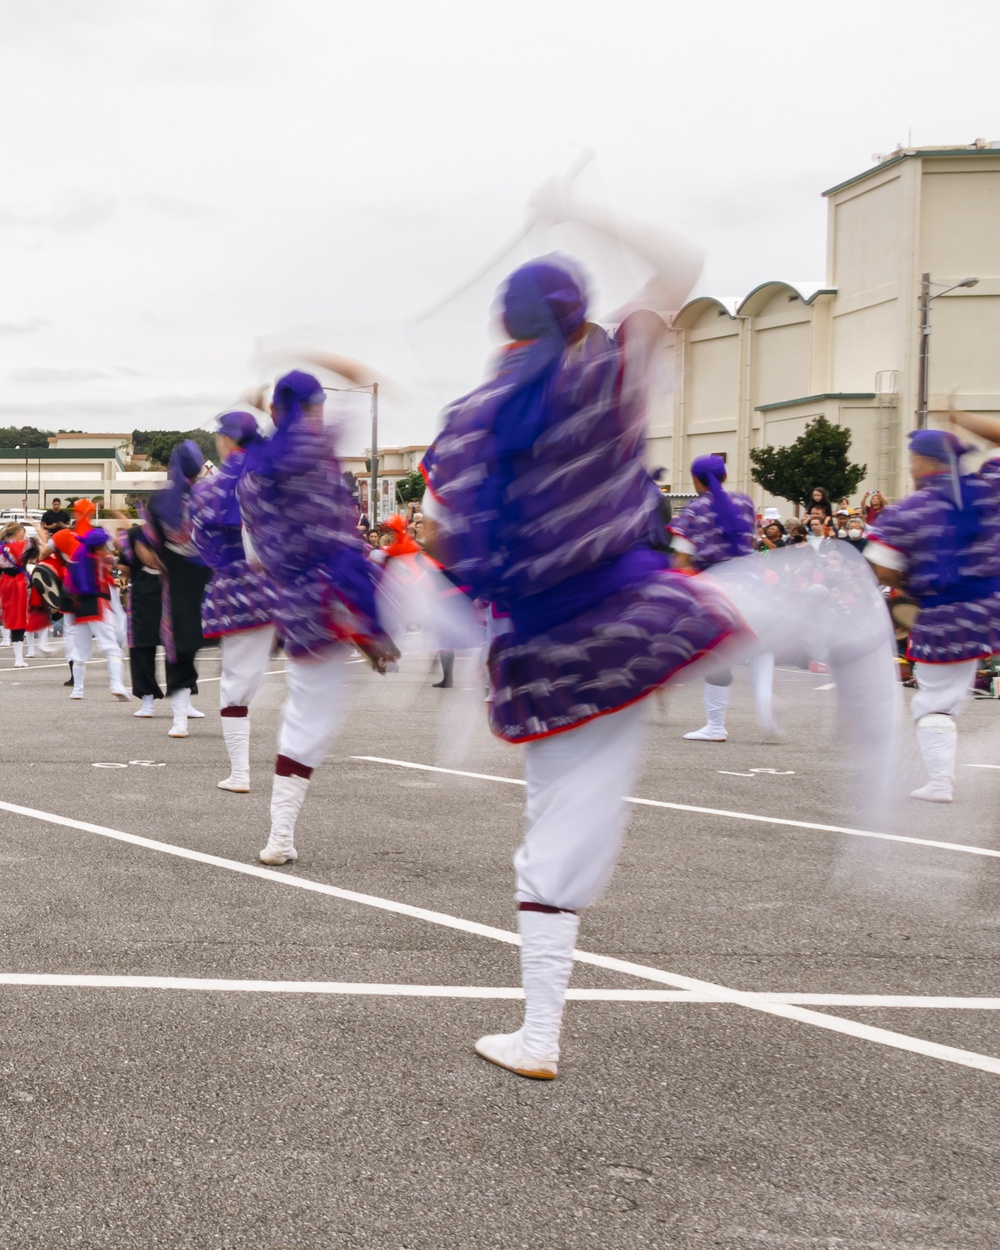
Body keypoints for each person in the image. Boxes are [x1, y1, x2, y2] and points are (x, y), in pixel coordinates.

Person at [422, 228, 747, 1081]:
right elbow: (680, 263)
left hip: (544, 650)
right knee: (569, 821)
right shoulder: (605, 372)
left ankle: (539, 1034)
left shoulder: (469, 417)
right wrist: (589, 211)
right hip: (647, 619)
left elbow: (439, 533)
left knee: (554, 829)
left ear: (506, 328)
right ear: (577, 318)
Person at [238, 370, 399, 866]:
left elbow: (257, 555)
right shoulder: (315, 446)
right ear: (310, 408)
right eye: (318, 405)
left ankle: (280, 836)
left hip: (297, 601)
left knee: (305, 718)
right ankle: (372, 628)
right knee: (420, 572)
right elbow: (370, 393)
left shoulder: (251, 475)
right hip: (347, 580)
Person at [865, 426, 1000, 802]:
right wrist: (963, 417)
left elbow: (882, 569)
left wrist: (910, 590)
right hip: (993, 606)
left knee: (935, 702)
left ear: (921, 461)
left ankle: (940, 782)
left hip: (945, 617)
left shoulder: (905, 512)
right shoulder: (990, 486)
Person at [191, 409, 278, 792]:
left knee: (235, 688)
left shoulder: (213, 486)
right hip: (294, 588)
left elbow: (199, 539)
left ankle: (241, 773)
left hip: (240, 591)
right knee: (311, 686)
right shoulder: (276, 476)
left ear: (225, 442)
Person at [669, 456, 777, 741]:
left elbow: (681, 559)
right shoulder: (744, 503)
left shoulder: (691, 512)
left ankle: (716, 726)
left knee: (718, 656)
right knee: (761, 645)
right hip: (753, 582)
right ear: (725, 477)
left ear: (696, 480)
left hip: (718, 588)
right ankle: (765, 704)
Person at [137, 442, 212, 737]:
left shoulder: (159, 500)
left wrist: (163, 561)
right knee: (228, 646)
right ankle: (233, 713)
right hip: (216, 580)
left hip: (177, 580)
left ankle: (180, 715)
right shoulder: (211, 495)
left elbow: (149, 546)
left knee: (178, 647)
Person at [59, 527, 130, 701]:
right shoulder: (103, 559)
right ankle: (116, 684)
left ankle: (77, 689)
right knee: (111, 647)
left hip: (79, 608)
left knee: (80, 651)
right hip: (98, 605)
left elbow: (68, 586)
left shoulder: (77, 559)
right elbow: (115, 572)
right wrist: (117, 577)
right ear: (99, 545)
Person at [0, 523, 37, 668]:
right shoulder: (22, 545)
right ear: (16, 533)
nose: (24, 534)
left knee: (9, 615)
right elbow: (36, 545)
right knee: (19, 618)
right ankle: (18, 658)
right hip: (18, 584)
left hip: (5, 583)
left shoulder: (2, 547)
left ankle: (18, 656)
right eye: (22, 532)